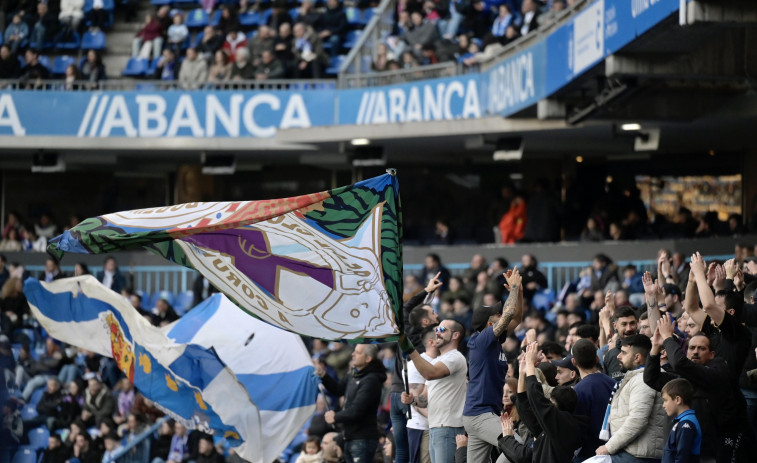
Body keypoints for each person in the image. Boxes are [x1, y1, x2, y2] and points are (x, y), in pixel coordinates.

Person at [461, 268, 523, 463]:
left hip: (480, 414)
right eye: (496, 315)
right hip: (481, 414)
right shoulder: (482, 340)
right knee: (518, 446)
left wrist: (518, 292)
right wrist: (512, 288)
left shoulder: (492, 341)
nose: (500, 315)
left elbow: (516, 318)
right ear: (490, 324)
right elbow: (509, 313)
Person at [497, 342, 589, 463]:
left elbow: (536, 398)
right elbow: (525, 407)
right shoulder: (551, 429)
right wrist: (522, 372)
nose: (546, 406)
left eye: (550, 403)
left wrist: (530, 365)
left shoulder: (565, 427)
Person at [402, 319, 468, 463]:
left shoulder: (455, 357)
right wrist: (412, 399)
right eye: (436, 329)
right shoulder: (437, 361)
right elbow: (424, 399)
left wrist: (411, 350)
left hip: (448, 428)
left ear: (455, 335)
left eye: (442, 330)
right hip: (436, 427)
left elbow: (429, 373)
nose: (437, 333)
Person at [596, 334, 667, 462]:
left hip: (638, 456)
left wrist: (609, 447)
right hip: (633, 451)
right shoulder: (638, 377)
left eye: (623, 353)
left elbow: (637, 419)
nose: (618, 356)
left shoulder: (643, 380)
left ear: (637, 357)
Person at [318, 344, 387, 463]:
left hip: (362, 439)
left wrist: (335, 417)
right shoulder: (354, 374)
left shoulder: (371, 380)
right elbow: (337, 389)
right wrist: (323, 375)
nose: (352, 354)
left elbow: (356, 410)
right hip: (349, 437)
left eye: (358, 352)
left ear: (368, 359)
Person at [572, 339, 617, 462]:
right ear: (597, 359)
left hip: (589, 455)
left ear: (574, 362)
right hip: (614, 451)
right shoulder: (614, 383)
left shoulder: (577, 391)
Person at [660, 378, 702, 463]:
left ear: (678, 400)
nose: (663, 405)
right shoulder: (682, 421)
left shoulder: (686, 424)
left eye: (665, 400)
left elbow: (682, 456)